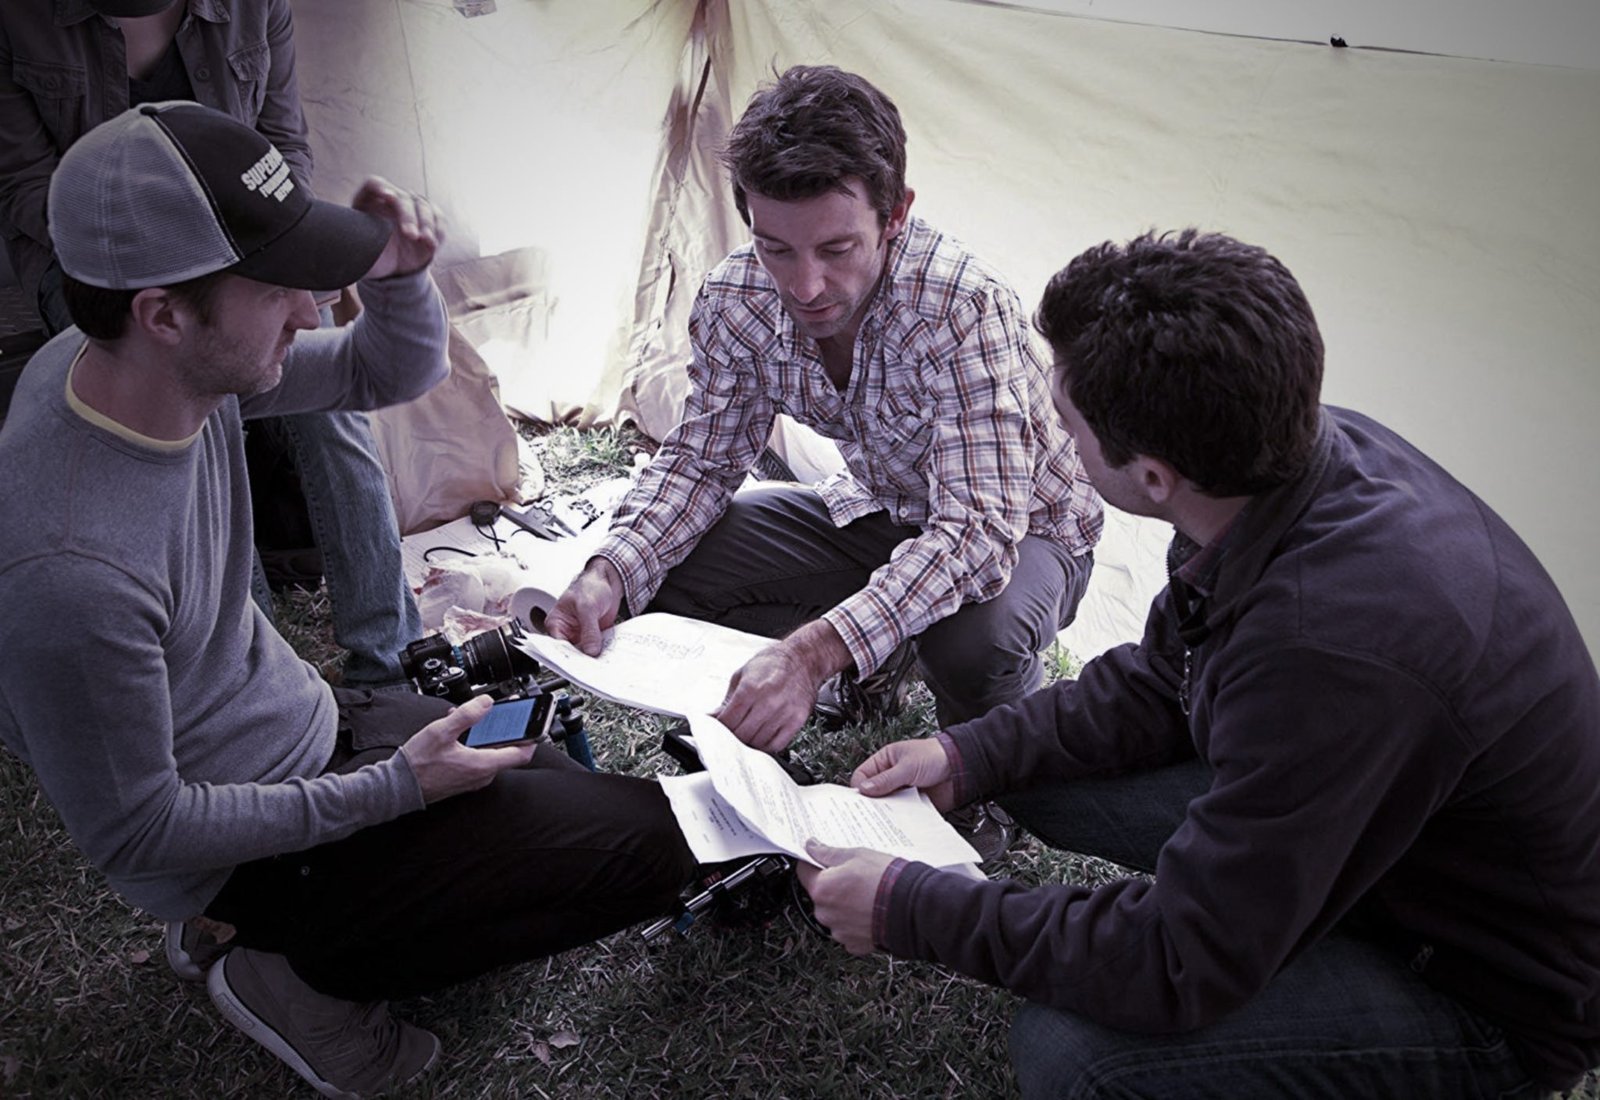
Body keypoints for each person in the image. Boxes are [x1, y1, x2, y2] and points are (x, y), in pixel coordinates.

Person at [797, 230, 1600, 1097]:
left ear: (1150, 476)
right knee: (1023, 768)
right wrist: (967, 756)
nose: (1048, 425)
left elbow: (1179, 963)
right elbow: (1160, 679)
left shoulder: (1328, 651)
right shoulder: (1289, 464)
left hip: (1482, 986)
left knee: (1080, 1058)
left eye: (1062, 418)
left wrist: (907, 908)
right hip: (1380, 846)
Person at [0, 103, 695, 1099]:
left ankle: (271, 924)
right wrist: (394, 790)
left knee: (533, 757)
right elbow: (137, 833)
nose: (309, 305)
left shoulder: (128, 367)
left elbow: (385, 366)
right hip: (245, 847)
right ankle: (277, 964)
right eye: (275, 284)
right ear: (163, 312)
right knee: (650, 846)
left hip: (314, 730)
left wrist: (399, 276)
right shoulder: (69, 573)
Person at [547, 65, 1102, 753]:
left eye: (837, 249)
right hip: (883, 512)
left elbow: (979, 531)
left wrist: (812, 652)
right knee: (667, 568)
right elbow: (699, 464)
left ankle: (994, 770)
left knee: (969, 641)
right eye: (775, 248)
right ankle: (800, 710)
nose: (804, 286)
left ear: (895, 214)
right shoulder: (737, 298)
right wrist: (609, 571)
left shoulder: (959, 305)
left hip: (1028, 531)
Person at [0, 0, 422, 688]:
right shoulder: (18, 19)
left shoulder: (257, 7)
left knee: (330, 407)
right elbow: (25, 190)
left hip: (253, 250)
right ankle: (254, 681)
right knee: (196, 392)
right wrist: (182, 253)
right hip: (97, 268)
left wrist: (261, 263)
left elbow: (286, 149)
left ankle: (393, 663)